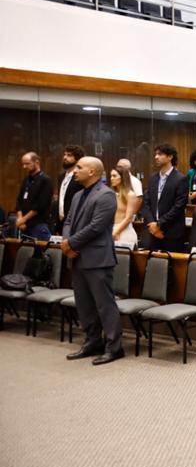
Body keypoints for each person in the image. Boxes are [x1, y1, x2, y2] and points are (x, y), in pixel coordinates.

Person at [62, 157, 123, 365]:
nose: (75, 171)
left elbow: (97, 227)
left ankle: (114, 347)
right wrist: (66, 241)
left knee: (105, 305)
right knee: (84, 305)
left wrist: (71, 244)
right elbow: (68, 221)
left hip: (97, 258)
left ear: (92, 172)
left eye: (79, 167)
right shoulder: (78, 194)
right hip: (78, 257)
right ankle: (92, 341)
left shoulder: (106, 195)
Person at [140, 144, 189, 253]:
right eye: (155, 154)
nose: (156, 157)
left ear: (170, 157)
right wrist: (152, 225)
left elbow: (179, 206)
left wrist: (159, 224)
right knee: (153, 266)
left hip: (171, 232)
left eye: (160, 154)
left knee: (172, 267)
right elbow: (146, 203)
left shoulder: (180, 179)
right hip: (152, 232)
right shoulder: (153, 178)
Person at [12, 152, 54, 240]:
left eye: (27, 164)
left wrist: (23, 220)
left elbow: (40, 205)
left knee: (38, 253)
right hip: (24, 225)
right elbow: (19, 200)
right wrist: (20, 219)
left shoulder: (46, 180)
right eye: (23, 164)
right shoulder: (26, 180)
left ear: (37, 162)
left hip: (38, 225)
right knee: (24, 253)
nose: (24, 167)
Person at [55, 145, 85, 235]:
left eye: (69, 155)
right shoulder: (61, 175)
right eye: (64, 154)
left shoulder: (81, 176)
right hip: (61, 221)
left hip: (75, 222)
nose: (65, 157)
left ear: (77, 158)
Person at [108, 164, 139, 247]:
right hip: (110, 229)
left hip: (124, 231)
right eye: (111, 176)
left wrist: (116, 231)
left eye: (114, 176)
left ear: (122, 177)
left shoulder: (130, 194)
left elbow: (128, 218)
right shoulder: (110, 194)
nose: (111, 178)